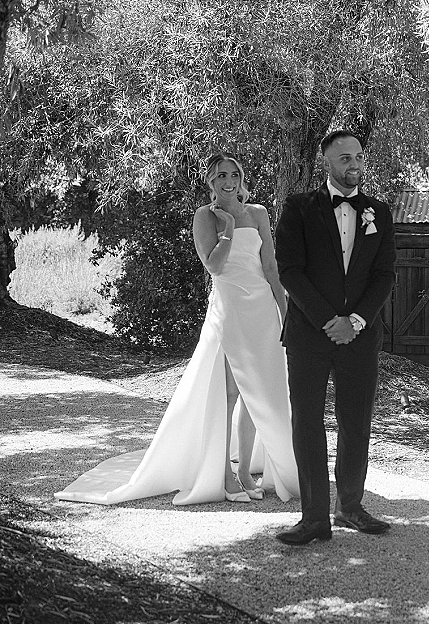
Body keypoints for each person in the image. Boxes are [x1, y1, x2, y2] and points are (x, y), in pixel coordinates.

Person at [55, 153, 299, 506]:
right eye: (220, 177)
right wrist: (228, 230)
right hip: (230, 308)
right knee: (230, 392)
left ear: (241, 177)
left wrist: (286, 312)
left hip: (262, 308)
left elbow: (272, 269)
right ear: (211, 183)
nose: (229, 181)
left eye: (234, 174)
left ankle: (245, 470)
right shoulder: (205, 216)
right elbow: (214, 266)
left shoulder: (259, 213)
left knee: (256, 392)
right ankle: (223, 475)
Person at [274, 130, 396, 544]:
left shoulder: (379, 211)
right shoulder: (298, 208)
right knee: (307, 422)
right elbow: (290, 270)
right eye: (345, 158)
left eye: (358, 157)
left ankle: (350, 507)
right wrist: (330, 320)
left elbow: (384, 276)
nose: (354, 165)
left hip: (361, 337)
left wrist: (356, 321)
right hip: (310, 334)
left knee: (356, 421)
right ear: (326, 162)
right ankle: (313, 518)